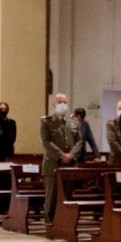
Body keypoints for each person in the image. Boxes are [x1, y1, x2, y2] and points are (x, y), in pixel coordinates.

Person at [40, 93, 82, 223]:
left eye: (64, 102)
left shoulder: (73, 123)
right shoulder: (47, 121)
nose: (62, 105)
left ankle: (65, 222)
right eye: (59, 102)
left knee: (67, 195)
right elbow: (46, 142)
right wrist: (61, 155)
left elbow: (79, 141)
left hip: (69, 165)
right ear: (54, 104)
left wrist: (71, 155)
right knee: (52, 196)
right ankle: (50, 222)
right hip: (53, 164)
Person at [107, 99, 121, 164]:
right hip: (116, 159)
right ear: (116, 110)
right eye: (120, 108)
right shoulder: (111, 124)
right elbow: (112, 141)